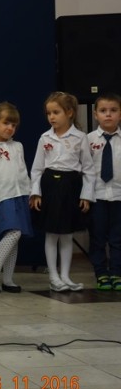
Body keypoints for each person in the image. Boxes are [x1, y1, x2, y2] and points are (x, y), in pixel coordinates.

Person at [30, 92, 95, 292]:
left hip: (71, 187)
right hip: (50, 186)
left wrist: (86, 195)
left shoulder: (80, 137)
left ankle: (65, 276)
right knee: (52, 234)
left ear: (69, 113)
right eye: (49, 113)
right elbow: (37, 169)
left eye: (56, 112)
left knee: (66, 234)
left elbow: (89, 169)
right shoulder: (45, 138)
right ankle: (53, 275)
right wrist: (36, 192)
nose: (51, 117)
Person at [0, 102, 33, 293]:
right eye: (6, 123)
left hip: (20, 195)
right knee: (13, 233)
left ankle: (8, 279)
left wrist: (29, 191)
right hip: (2, 197)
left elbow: (22, 171)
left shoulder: (17, 146)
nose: (10, 128)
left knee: (15, 237)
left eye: (13, 125)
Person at [87, 92, 121, 291]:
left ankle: (116, 272)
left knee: (118, 238)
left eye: (113, 110)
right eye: (103, 111)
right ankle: (101, 273)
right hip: (97, 196)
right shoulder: (89, 140)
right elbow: (85, 169)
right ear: (95, 114)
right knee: (98, 237)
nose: (108, 115)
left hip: (118, 196)